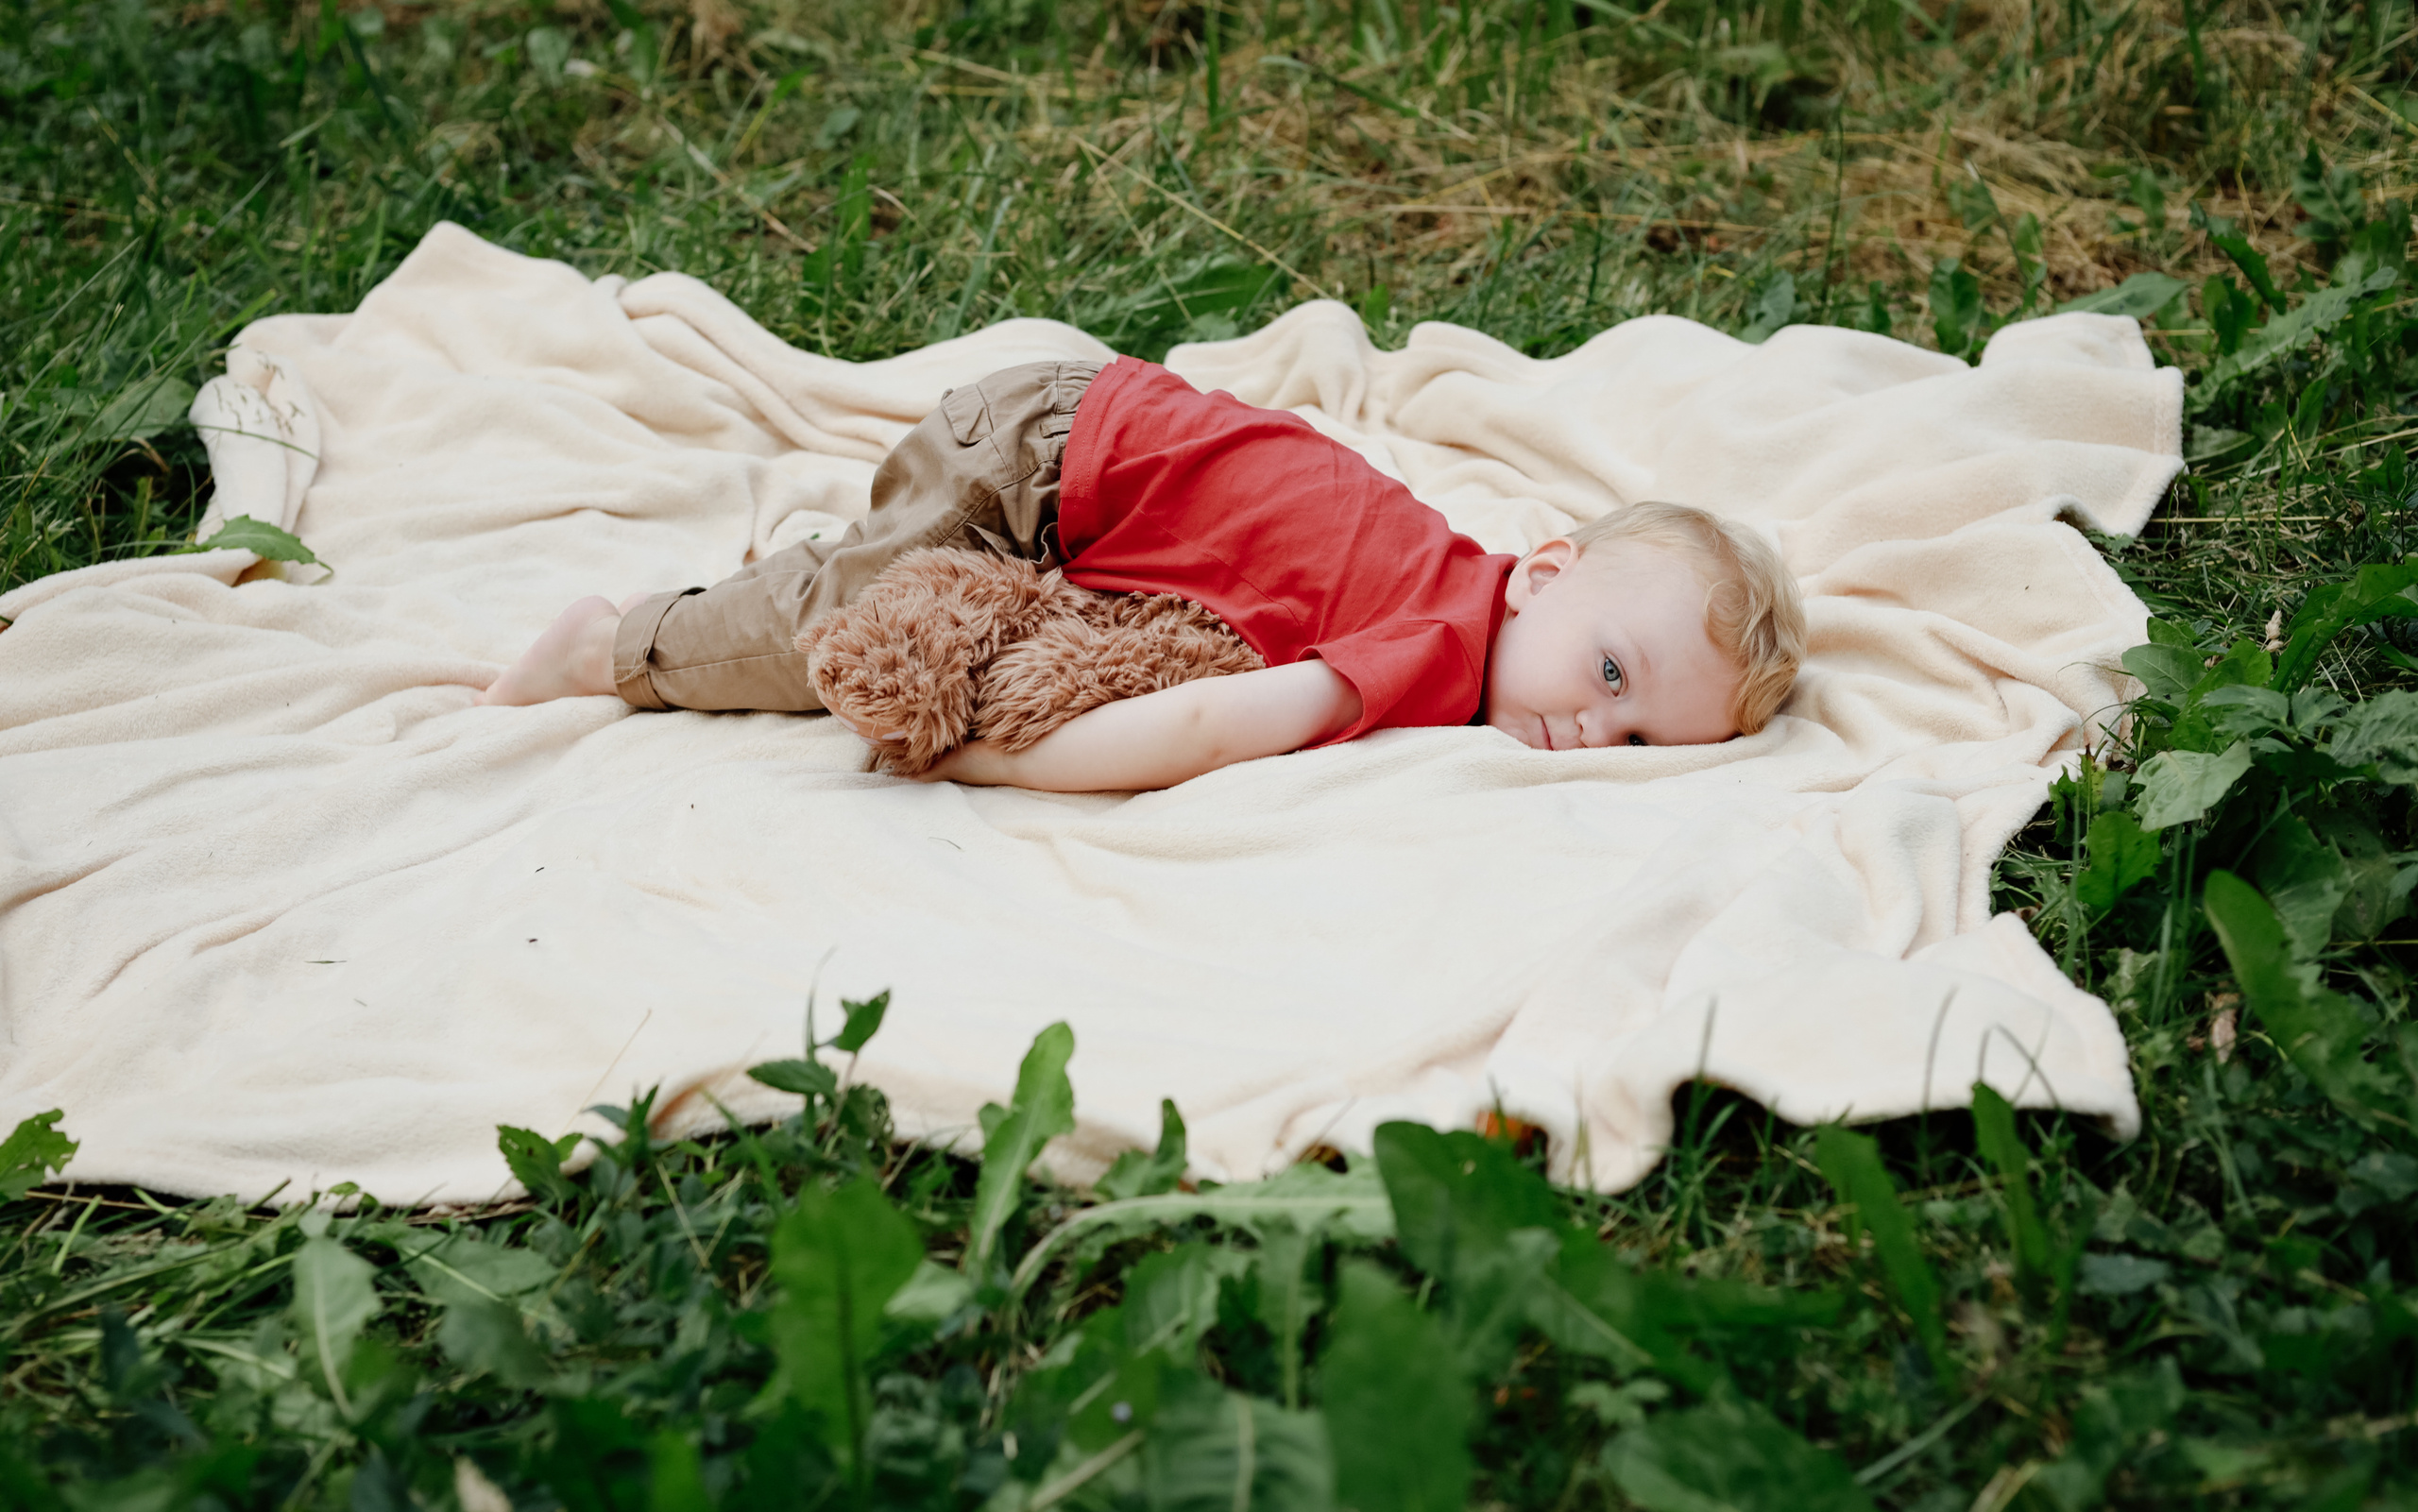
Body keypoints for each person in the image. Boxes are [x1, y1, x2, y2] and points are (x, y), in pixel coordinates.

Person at [479, 357, 1805, 791]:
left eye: (1642, 741)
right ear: (1543, 575)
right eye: (1612, 673)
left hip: (1089, 451)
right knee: (833, 632)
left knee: (878, 580)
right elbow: (1206, 725)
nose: (1597, 732)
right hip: (1042, 463)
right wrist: (995, 759)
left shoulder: (1469, 600)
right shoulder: (1440, 643)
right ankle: (611, 644)